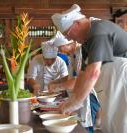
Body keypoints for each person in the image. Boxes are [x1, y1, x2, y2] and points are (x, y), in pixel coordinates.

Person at [51, 4, 127, 133]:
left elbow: (93, 73)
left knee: (122, 125)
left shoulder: (98, 30)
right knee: (110, 125)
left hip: (122, 81)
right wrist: (73, 100)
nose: (68, 39)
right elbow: (82, 74)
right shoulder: (86, 43)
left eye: (67, 34)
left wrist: (75, 102)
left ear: (77, 24)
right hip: (112, 85)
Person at [48, 35, 100, 132]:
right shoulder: (72, 55)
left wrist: (57, 87)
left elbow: (78, 80)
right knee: (76, 126)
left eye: (62, 48)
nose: (61, 52)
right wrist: (56, 82)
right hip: (77, 97)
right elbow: (70, 77)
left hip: (87, 97)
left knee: (84, 129)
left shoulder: (82, 53)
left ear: (71, 43)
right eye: (59, 49)